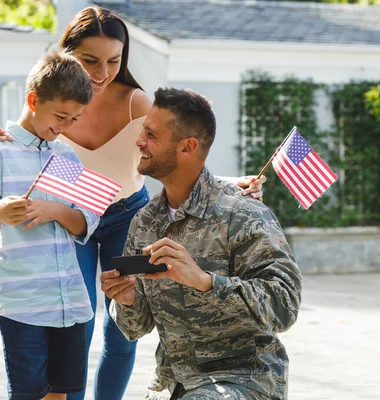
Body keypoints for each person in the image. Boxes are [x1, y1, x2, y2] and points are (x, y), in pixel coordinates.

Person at [0, 7, 266, 400]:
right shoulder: (55, 101)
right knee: (73, 323)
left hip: (128, 216)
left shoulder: (137, 103)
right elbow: (25, 147)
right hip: (72, 219)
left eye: (113, 61)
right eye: (90, 60)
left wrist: (230, 185)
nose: (101, 72)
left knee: (122, 327)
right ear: (66, 54)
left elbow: (178, 155)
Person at [101, 88, 303, 400]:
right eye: (143, 131)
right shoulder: (145, 222)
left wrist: (206, 282)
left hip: (242, 380)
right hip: (173, 385)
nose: (139, 141)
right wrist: (127, 299)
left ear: (187, 147)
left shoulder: (242, 213)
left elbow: (284, 305)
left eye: (152, 135)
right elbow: (135, 327)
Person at [0, 50, 100, 400]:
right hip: (22, 304)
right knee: (28, 394)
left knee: (62, 392)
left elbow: (88, 221)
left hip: (69, 300)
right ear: (33, 100)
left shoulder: (64, 156)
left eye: (75, 118)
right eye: (61, 116)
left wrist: (55, 210)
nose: (66, 126)